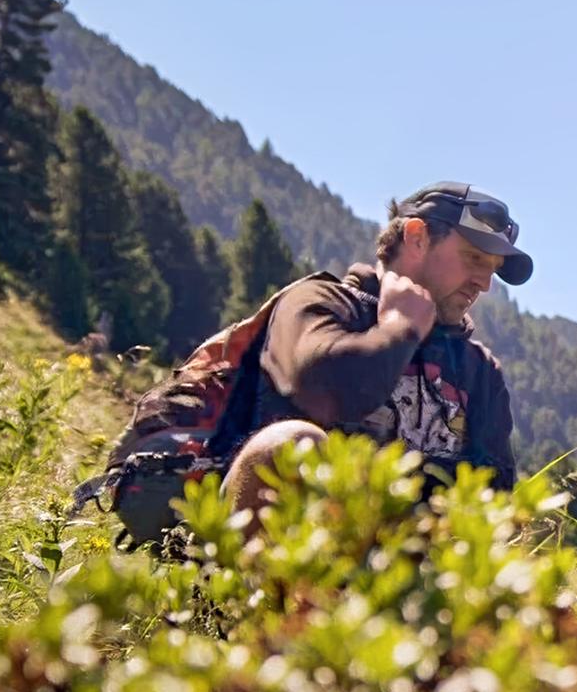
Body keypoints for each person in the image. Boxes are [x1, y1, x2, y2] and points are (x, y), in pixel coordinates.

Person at [220, 182, 532, 519]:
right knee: (289, 443)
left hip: (405, 559)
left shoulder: (479, 370)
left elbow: (495, 488)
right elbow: (323, 390)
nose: (485, 284)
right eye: (474, 258)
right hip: (300, 547)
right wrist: (401, 327)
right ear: (417, 237)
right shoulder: (322, 304)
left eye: (493, 268)